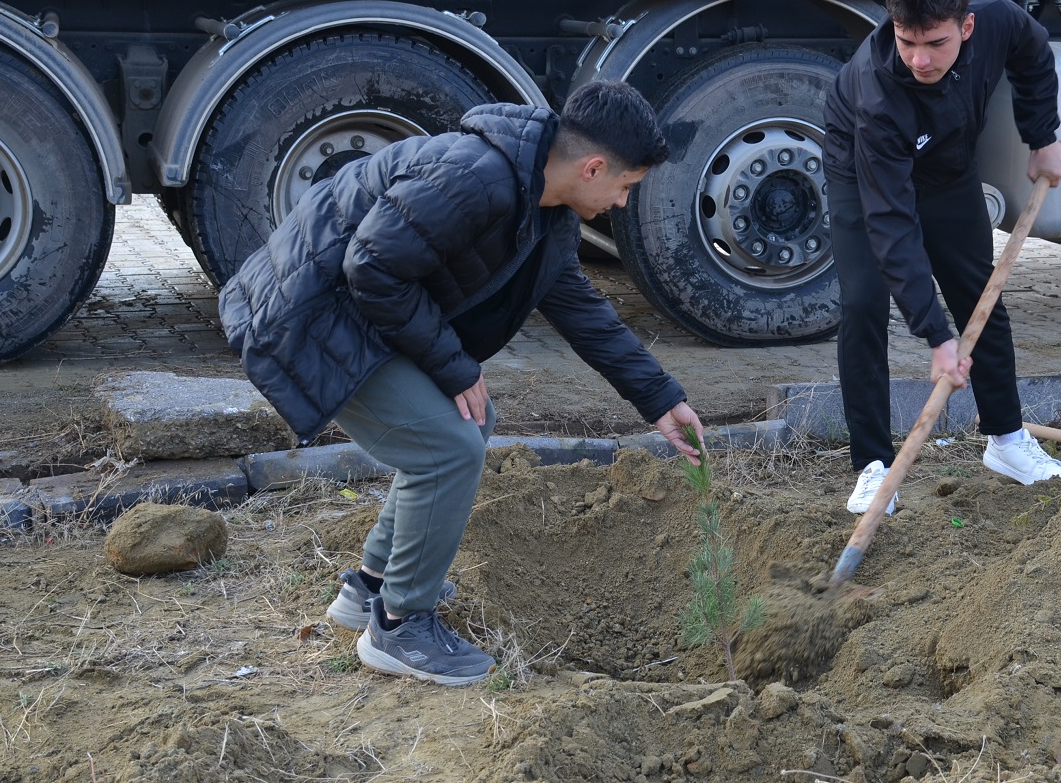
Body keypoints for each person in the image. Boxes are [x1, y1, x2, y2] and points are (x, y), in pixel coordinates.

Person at [219, 81, 704, 686]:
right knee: (448, 446)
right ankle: (400, 628)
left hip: (350, 311)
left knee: (468, 424)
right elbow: (370, 267)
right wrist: (455, 365)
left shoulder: (546, 208)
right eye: (626, 188)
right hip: (306, 317)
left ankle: (368, 588)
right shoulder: (478, 176)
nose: (624, 204)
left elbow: (581, 309)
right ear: (593, 167)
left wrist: (661, 400)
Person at [823, 0, 1061, 514]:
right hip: (863, 166)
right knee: (863, 301)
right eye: (907, 41)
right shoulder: (876, 92)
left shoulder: (996, 16)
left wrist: (1042, 136)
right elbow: (891, 225)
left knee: (978, 291)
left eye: (935, 43)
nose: (918, 58)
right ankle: (872, 465)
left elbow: (1034, 55)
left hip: (948, 162)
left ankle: (1007, 440)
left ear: (966, 27)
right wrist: (937, 338)